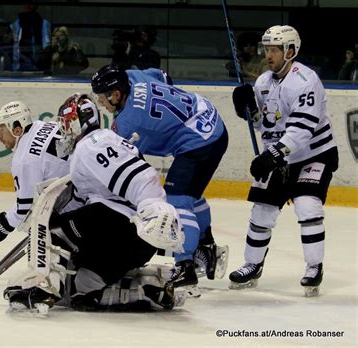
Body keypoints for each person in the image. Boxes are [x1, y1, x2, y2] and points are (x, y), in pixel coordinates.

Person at [3, 93, 186, 313]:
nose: (64, 131)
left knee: (54, 230)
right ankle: (148, 287)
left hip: (124, 228)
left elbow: (139, 176)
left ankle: (43, 287)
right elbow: (81, 198)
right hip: (133, 242)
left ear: (78, 121)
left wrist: (155, 208)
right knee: (81, 290)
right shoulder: (100, 141)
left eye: (67, 123)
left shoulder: (92, 146)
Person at [91, 64, 229, 289]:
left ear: (116, 94)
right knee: (190, 191)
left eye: (102, 98)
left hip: (200, 141)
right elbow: (163, 76)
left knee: (177, 198)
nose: (100, 103)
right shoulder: (134, 76)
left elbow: (125, 159)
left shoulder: (129, 123)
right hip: (209, 117)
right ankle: (206, 246)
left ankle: (185, 266)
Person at [229, 25, 339, 297]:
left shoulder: (306, 81)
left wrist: (272, 155)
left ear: (290, 51)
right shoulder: (264, 82)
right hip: (278, 156)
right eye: (266, 49)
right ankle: (252, 264)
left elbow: (302, 130)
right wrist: (249, 109)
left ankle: (314, 267)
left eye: (275, 50)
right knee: (261, 212)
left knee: (307, 205)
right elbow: (264, 125)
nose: (269, 55)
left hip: (315, 154)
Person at [0, 101, 70, 244]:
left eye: (1, 131)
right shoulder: (45, 125)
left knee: (37, 221)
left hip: (76, 204)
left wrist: (4, 223)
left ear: (16, 129)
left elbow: (25, 207)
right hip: (86, 189)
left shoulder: (24, 160)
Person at [10, 1, 51, 71]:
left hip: (38, 68)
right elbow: (10, 46)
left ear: (36, 5)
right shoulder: (15, 24)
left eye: (31, 3)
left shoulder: (44, 24)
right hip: (18, 68)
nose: (28, 6)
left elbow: (46, 47)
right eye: (26, 3)